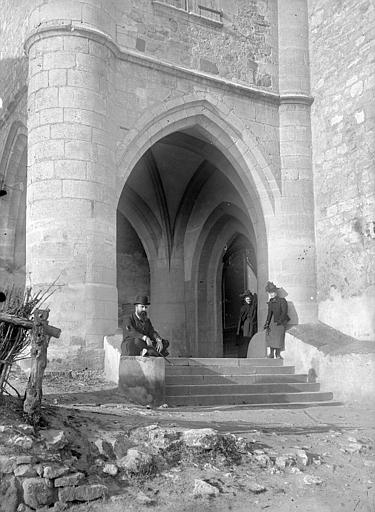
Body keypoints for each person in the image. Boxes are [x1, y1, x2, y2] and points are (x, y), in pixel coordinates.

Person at [263, 281, 290, 359]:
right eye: (270, 293)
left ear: (276, 292)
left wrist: (280, 321)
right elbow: (269, 314)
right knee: (271, 337)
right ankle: (271, 353)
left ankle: (277, 354)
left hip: (280, 322)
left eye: (273, 292)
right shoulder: (270, 302)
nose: (271, 294)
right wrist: (267, 323)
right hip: (272, 322)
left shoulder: (282, 300)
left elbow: (284, 311)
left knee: (278, 338)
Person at [236, 289, 258, 358]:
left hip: (251, 324)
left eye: (249, 298)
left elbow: (254, 305)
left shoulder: (252, 306)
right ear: (244, 299)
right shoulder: (243, 308)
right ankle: (244, 355)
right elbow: (241, 319)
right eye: (247, 299)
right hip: (246, 324)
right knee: (246, 339)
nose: (248, 300)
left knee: (251, 338)